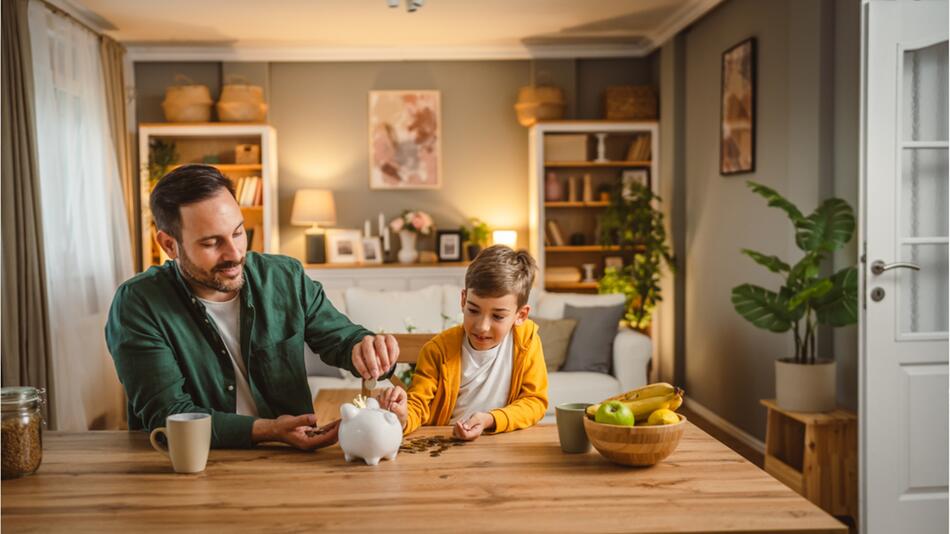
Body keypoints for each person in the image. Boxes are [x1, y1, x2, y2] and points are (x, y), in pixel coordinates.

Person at [105, 164, 398, 449]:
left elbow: (342, 339)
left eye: (238, 232)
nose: (234, 253)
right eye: (211, 243)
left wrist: (367, 348)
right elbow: (169, 416)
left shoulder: (284, 277)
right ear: (169, 245)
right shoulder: (138, 304)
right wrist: (269, 431)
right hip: (189, 468)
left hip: (288, 462)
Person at [377, 245, 548, 440]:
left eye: (498, 316)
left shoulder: (527, 341)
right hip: (446, 445)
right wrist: (403, 416)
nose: (482, 327)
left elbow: (534, 401)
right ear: (463, 300)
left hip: (503, 442)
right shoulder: (437, 350)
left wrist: (490, 420)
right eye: (473, 310)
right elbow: (418, 406)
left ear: (521, 315)